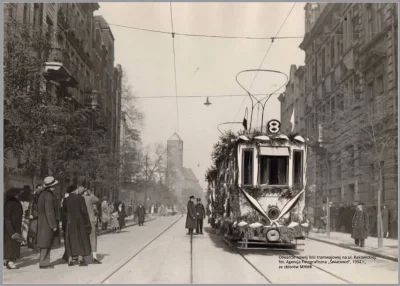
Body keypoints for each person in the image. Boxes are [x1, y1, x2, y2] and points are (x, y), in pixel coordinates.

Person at [37, 176, 61, 269]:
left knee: (46, 242)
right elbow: (49, 211)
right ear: (51, 186)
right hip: (47, 223)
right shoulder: (48, 195)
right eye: (54, 185)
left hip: (44, 222)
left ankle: (45, 262)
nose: (55, 186)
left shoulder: (44, 194)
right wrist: (53, 225)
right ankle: (44, 263)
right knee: (45, 243)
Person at [64, 186, 91, 266]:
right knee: (80, 238)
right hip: (79, 221)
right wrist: (87, 221)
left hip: (69, 221)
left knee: (70, 239)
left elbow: (64, 211)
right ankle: (80, 259)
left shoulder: (66, 199)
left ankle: (70, 259)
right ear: (75, 190)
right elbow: (84, 211)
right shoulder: (80, 198)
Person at [4, 189, 25, 270]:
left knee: (14, 245)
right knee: (10, 245)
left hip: (16, 226)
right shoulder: (9, 203)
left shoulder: (15, 202)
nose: (18, 195)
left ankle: (9, 261)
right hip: (11, 228)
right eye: (17, 194)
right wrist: (11, 231)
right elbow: (7, 219)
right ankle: (9, 262)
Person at [83, 189, 101, 264]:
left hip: (82, 221)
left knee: (83, 238)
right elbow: (97, 199)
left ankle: (81, 258)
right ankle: (94, 257)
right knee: (93, 238)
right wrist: (91, 194)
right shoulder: (90, 198)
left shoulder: (80, 198)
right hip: (91, 220)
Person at [61, 185, 76, 262]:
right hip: (68, 222)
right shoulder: (68, 200)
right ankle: (68, 255)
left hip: (65, 222)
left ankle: (67, 254)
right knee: (69, 239)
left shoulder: (64, 200)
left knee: (67, 239)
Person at [27, 184, 43, 250]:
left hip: (40, 215)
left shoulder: (42, 196)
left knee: (38, 231)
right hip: (34, 215)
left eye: (41, 189)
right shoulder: (33, 196)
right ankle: (31, 244)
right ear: (36, 189)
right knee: (32, 230)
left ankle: (36, 244)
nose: (40, 190)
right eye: (39, 188)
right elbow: (30, 205)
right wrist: (30, 214)